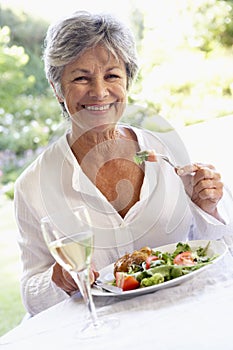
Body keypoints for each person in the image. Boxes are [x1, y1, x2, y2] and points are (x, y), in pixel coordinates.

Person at [14, 10, 233, 316]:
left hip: (183, 317)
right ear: (57, 89)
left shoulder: (167, 152)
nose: (100, 92)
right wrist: (58, 280)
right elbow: (31, 298)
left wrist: (208, 207)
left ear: (128, 81)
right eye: (81, 77)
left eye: (112, 75)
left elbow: (220, 251)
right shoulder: (34, 185)